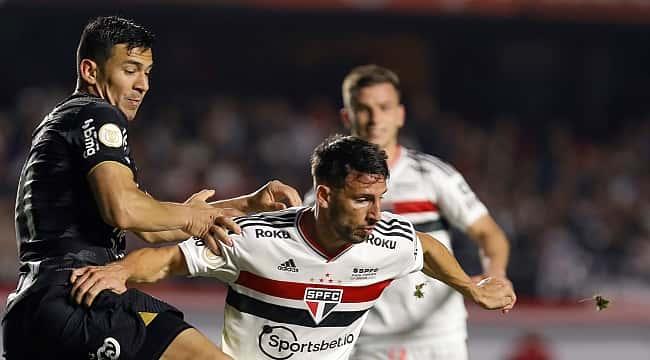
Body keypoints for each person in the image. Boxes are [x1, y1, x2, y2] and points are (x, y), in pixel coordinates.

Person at [2, 16, 300, 360]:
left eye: (147, 72)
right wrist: (192, 219)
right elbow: (125, 210)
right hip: (78, 298)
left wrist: (248, 204)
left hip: (34, 312)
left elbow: (154, 226)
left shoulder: (63, 122)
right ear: (90, 71)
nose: (143, 84)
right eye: (130, 69)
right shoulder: (97, 114)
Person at [69, 135, 516, 360]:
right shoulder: (255, 237)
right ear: (323, 196)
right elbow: (171, 259)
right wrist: (119, 272)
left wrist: (469, 288)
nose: (377, 212)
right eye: (362, 199)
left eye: (380, 197)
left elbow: (426, 246)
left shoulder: (386, 242)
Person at [332, 64, 513, 360]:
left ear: (400, 114)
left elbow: (487, 232)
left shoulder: (432, 175)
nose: (375, 118)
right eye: (364, 108)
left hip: (438, 338)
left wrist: (495, 273)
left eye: (384, 107)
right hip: (365, 342)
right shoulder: (327, 190)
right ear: (346, 116)